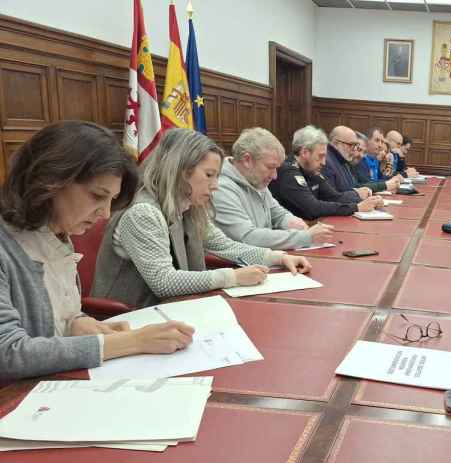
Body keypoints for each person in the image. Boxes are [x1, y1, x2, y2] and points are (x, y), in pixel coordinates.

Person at [0, 121, 194, 381]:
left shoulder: (54, 235)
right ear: (49, 180)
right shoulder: (8, 246)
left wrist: (76, 324)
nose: (104, 213)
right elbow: (8, 354)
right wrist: (132, 342)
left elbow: (50, 318)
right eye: (97, 196)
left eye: (111, 200)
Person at [92, 128, 311, 309]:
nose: (216, 185)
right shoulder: (143, 212)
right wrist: (232, 277)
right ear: (180, 171)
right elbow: (163, 281)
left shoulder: (190, 206)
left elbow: (224, 245)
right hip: (129, 317)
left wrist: (278, 257)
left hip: (173, 309)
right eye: (209, 175)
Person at [213, 127, 334, 250]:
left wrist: (295, 223)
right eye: (270, 167)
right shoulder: (220, 188)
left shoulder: (254, 179)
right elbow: (247, 237)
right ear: (247, 160)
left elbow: (278, 214)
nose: (275, 176)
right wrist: (305, 237)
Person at [270, 125, 383, 220]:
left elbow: (334, 197)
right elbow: (313, 207)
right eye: (320, 156)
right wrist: (356, 208)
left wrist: (368, 201)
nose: (324, 163)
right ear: (305, 152)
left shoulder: (310, 169)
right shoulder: (288, 171)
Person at [322, 125, 378, 197]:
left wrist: (360, 191)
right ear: (336, 143)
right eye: (351, 145)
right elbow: (331, 198)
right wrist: (357, 194)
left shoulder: (343, 159)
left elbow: (350, 187)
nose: (354, 149)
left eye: (355, 145)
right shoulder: (326, 162)